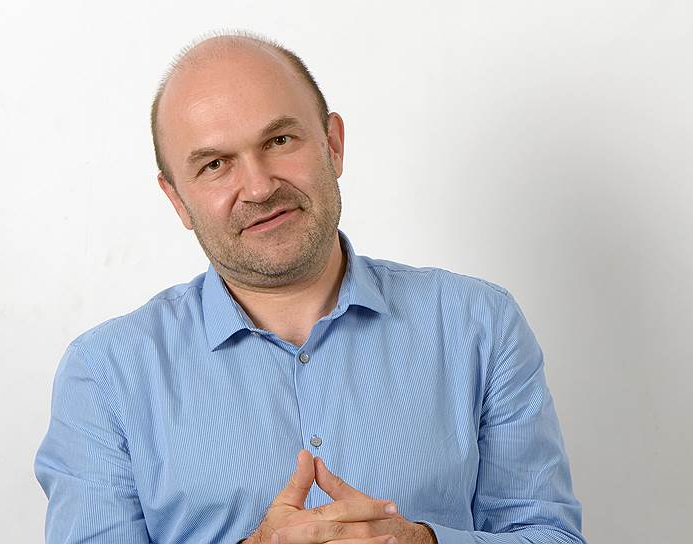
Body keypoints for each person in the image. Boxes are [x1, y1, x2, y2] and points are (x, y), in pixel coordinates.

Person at [35, 32, 586, 544]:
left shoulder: (479, 324)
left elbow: (551, 536)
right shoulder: (105, 375)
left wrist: (425, 542)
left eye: (279, 140)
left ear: (333, 145)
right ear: (177, 199)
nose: (259, 186)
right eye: (215, 164)